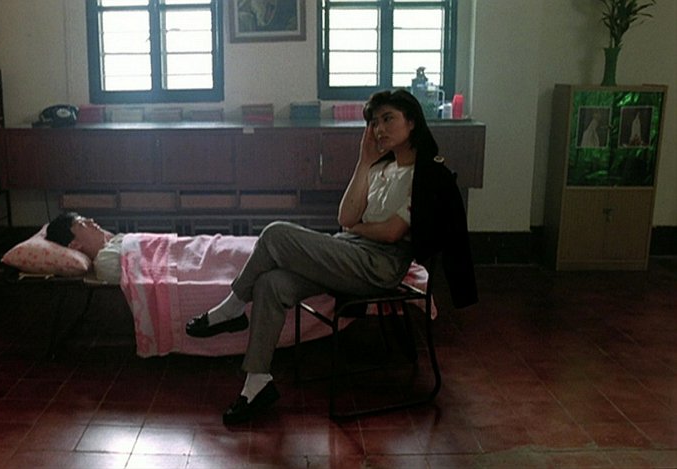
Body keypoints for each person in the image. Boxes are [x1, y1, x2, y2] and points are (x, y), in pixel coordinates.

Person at [185, 89, 477, 425]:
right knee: (271, 283)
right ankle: (256, 383)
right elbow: (345, 217)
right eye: (374, 122)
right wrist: (364, 163)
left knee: (276, 233)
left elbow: (391, 233)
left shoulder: (427, 175)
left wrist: (358, 228)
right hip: (351, 251)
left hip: (380, 266)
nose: (379, 129)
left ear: (411, 122)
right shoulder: (380, 168)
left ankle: (233, 307)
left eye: (388, 119)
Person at [45, 212, 125, 283]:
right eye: (82, 224)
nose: (91, 220)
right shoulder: (106, 261)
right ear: (75, 245)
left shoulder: (116, 239)